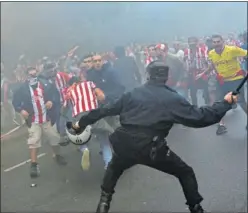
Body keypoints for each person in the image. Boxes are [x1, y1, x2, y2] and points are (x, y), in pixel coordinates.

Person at [69, 60, 237, 213]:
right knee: (185, 172)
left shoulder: (133, 93)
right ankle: (196, 207)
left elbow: (104, 110)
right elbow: (201, 118)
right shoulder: (172, 98)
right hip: (151, 148)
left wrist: (81, 123)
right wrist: (225, 103)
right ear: (167, 77)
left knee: (114, 167)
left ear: (148, 74)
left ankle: (103, 204)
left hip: (125, 143)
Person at [12, 67, 66, 178]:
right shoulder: (22, 88)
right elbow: (15, 102)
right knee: (34, 141)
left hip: (48, 118)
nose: (33, 76)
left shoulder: (46, 84)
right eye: (30, 75)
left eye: (34, 74)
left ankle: (57, 155)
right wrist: (21, 110)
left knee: (54, 138)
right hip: (33, 120)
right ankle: (34, 164)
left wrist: (51, 101)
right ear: (27, 76)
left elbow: (55, 95)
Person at [196, 34, 247, 135]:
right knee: (218, 103)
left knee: (241, 103)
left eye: (218, 42)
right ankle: (221, 125)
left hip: (236, 80)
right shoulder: (211, 53)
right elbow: (212, 66)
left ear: (222, 41)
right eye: (214, 42)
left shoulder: (232, 49)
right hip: (222, 81)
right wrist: (203, 73)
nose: (216, 44)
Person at [63, 76, 113, 170]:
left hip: (80, 117)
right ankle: (108, 163)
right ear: (80, 81)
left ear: (71, 84)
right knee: (104, 140)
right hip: (93, 115)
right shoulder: (90, 84)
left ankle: (84, 149)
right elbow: (101, 96)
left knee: (80, 138)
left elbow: (64, 108)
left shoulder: (69, 91)